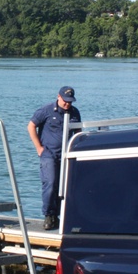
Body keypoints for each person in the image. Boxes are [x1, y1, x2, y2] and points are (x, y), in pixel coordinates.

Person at [28, 86, 81, 230]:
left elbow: (78, 132)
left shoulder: (75, 112)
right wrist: (39, 147)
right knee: (50, 183)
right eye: (65, 101)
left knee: (64, 185)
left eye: (70, 101)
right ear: (58, 97)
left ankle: (61, 215)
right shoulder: (46, 110)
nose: (67, 104)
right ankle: (49, 215)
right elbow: (31, 126)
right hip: (49, 154)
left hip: (66, 154)